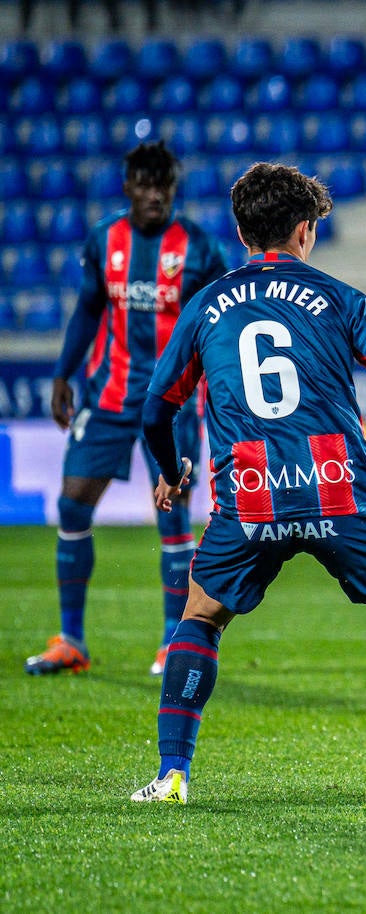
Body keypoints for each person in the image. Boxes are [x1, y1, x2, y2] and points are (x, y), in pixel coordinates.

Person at [130, 163, 366, 804]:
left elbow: (154, 409)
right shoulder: (340, 299)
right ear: (304, 231)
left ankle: (171, 775)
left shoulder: (204, 306)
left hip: (250, 490)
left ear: (243, 232)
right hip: (336, 482)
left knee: (199, 619)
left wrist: (171, 474)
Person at [25, 140, 230, 677]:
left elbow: (221, 324)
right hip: (109, 397)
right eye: (145, 184)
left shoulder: (200, 248)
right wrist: (63, 374)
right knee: (72, 505)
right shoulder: (104, 241)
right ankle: (71, 640)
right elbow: (88, 308)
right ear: (128, 188)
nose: (155, 195)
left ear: (173, 190)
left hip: (173, 403)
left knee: (173, 514)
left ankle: (171, 641)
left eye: (164, 185)